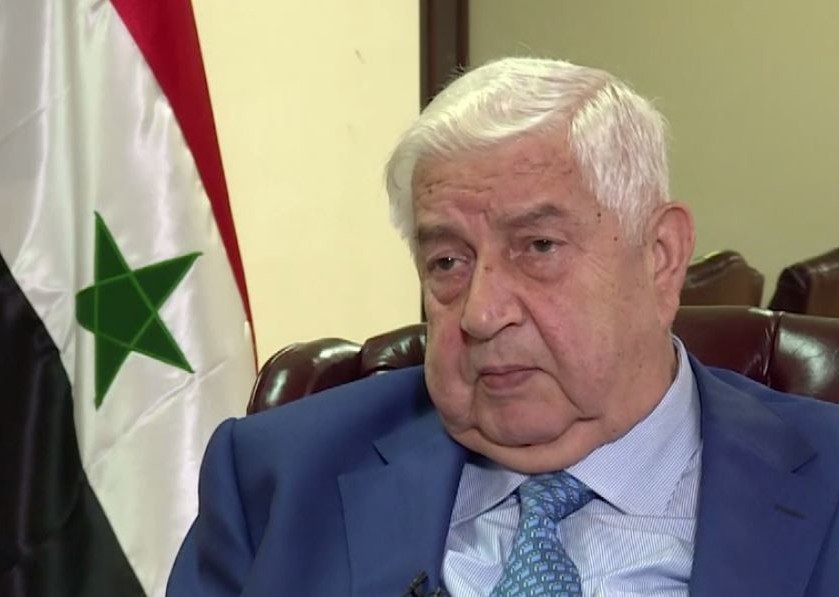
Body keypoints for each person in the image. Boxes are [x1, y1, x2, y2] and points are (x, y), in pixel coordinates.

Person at [167, 58, 839, 596]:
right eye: (447, 262)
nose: (481, 313)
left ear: (660, 257)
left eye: (538, 247)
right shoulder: (276, 477)